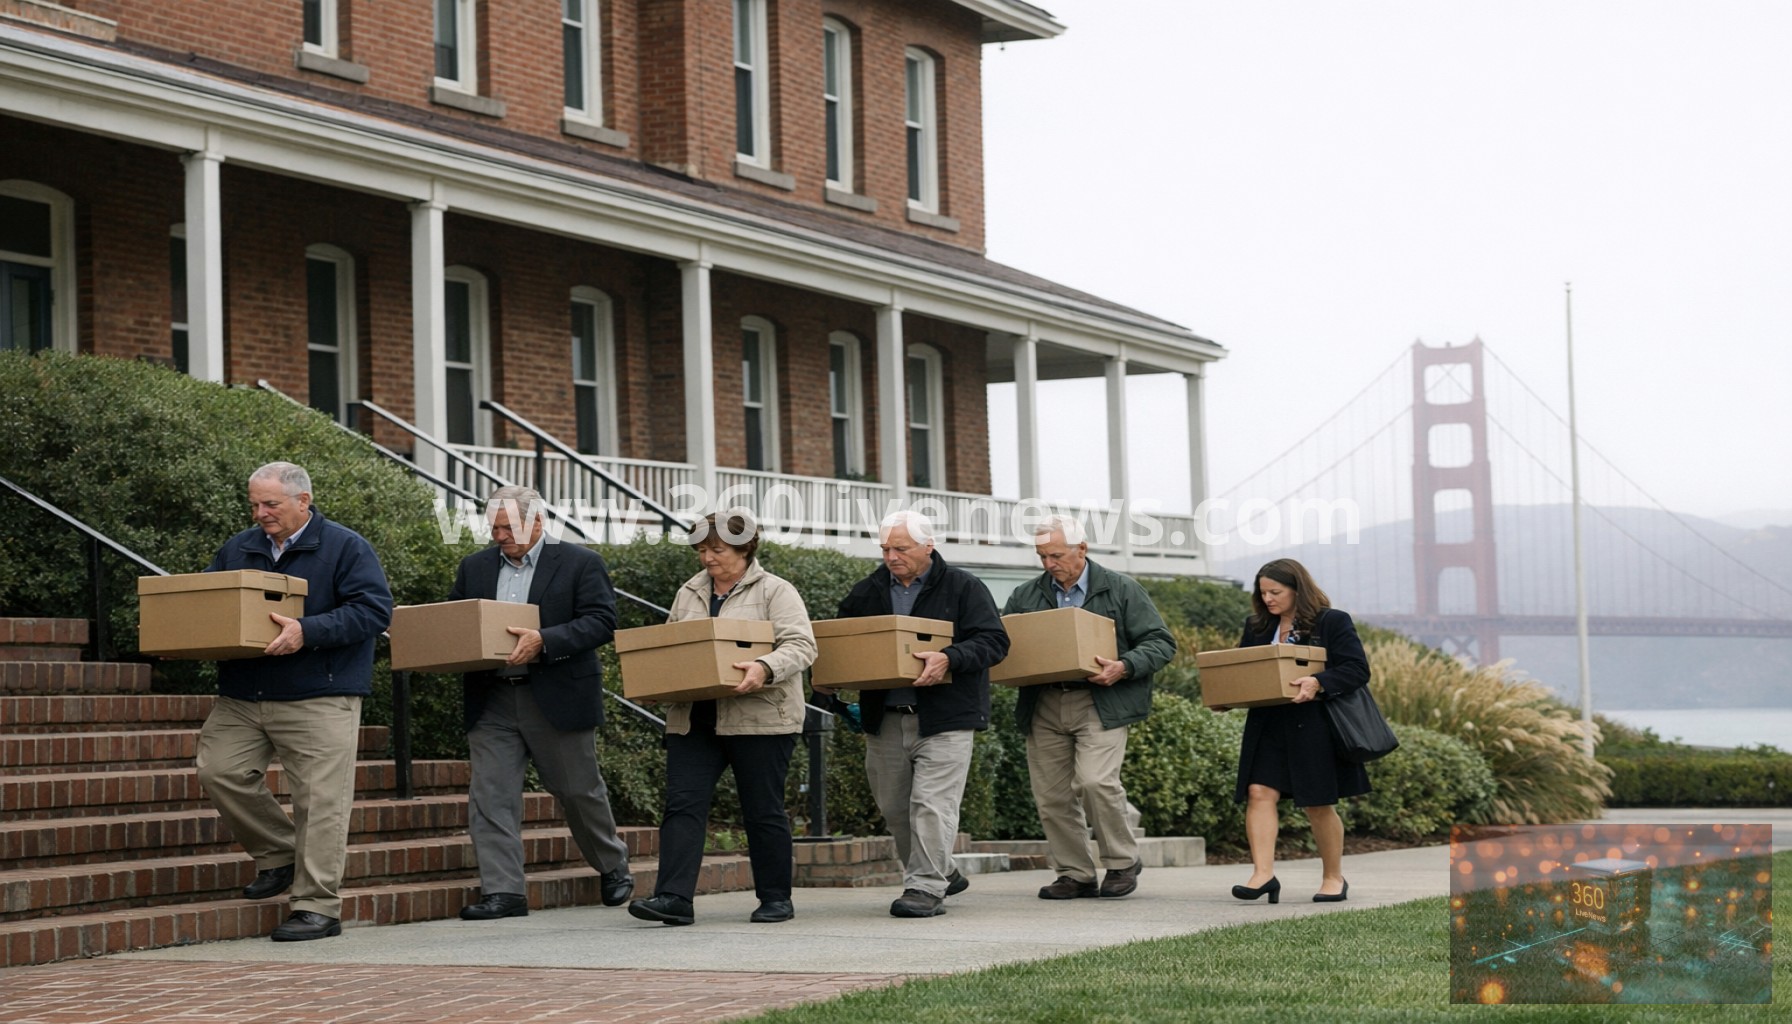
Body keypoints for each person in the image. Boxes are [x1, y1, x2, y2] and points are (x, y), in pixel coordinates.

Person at [195, 462, 393, 941]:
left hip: (319, 694)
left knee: (321, 803)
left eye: (271, 504)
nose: (260, 513)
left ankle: (317, 908)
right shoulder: (238, 548)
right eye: (255, 504)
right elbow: (205, 600)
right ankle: (281, 854)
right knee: (218, 770)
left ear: (303, 501)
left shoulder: (346, 547)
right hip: (244, 693)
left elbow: (373, 610)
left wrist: (308, 631)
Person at [449, 485, 634, 920]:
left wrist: (545, 641)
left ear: (537, 521)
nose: (498, 535)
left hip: (556, 694)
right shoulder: (473, 567)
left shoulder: (580, 562)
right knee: (490, 796)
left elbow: (602, 621)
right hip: (491, 698)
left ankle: (611, 864)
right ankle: (504, 892)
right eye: (492, 527)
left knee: (577, 791)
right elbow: (457, 622)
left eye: (507, 526)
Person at [628, 512, 817, 926]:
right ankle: (674, 899)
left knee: (762, 809)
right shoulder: (688, 593)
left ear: (745, 548)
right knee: (682, 806)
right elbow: (671, 646)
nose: (707, 559)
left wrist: (764, 667)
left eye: (716, 550)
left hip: (760, 718)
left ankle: (775, 898)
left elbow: (802, 645)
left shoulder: (775, 591)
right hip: (694, 718)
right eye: (701, 550)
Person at [820, 510, 1009, 918]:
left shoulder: (963, 587)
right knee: (895, 808)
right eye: (886, 548)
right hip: (884, 717)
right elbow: (843, 645)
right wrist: (829, 677)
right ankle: (943, 872)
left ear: (928, 546)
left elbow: (995, 641)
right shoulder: (866, 592)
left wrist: (949, 657)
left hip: (946, 718)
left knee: (931, 804)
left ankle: (924, 887)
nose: (891, 556)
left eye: (900, 548)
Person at [1003, 513, 1175, 900]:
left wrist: (1125, 666)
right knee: (1052, 795)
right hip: (1043, 701)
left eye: (1057, 555)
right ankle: (1075, 873)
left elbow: (1161, 642)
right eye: (1042, 556)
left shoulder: (1121, 588)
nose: (1049, 564)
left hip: (1102, 699)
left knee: (1096, 781)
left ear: (1082, 549)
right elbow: (1007, 645)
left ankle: (1121, 861)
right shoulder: (1025, 595)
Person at [1222, 557, 1371, 904]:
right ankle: (1263, 875)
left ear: (1297, 589)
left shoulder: (1331, 622)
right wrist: (1228, 697)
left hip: (1314, 725)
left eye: (1276, 592)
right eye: (1263, 593)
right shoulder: (1257, 626)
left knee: (1317, 803)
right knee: (1259, 792)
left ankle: (1334, 877)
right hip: (1267, 723)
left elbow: (1356, 669)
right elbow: (1247, 671)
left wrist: (1318, 682)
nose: (1268, 599)